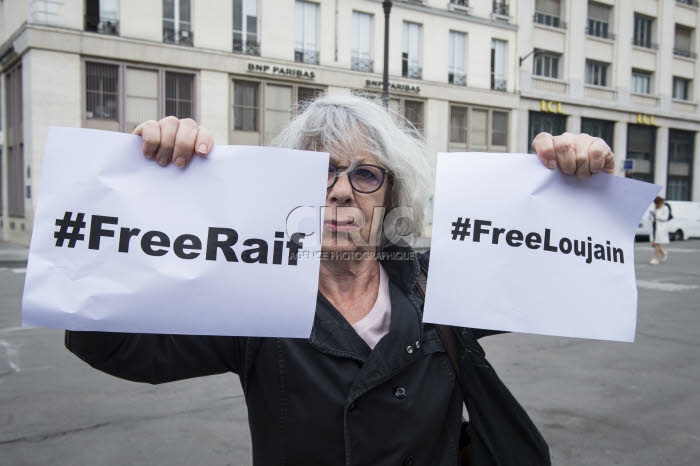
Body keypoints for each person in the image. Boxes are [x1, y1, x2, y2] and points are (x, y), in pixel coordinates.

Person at [65, 94, 615, 465]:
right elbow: (109, 341)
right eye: (320, 170)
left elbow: (568, 272)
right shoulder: (257, 294)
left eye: (365, 173)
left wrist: (580, 186)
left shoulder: (437, 284)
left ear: (389, 197)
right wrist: (144, 187)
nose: (341, 190)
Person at [649, 196, 670, 265]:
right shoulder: (655, 208)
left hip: (661, 228)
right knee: (653, 244)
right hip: (654, 227)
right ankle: (664, 253)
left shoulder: (665, 208)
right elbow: (651, 217)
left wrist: (656, 216)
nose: (656, 205)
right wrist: (652, 216)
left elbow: (665, 218)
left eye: (657, 204)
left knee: (657, 243)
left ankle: (656, 258)